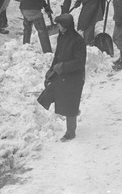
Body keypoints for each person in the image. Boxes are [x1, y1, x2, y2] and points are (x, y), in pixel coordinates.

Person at [37, 13, 86, 141]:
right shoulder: (62, 37)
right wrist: (51, 70)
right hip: (62, 73)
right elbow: (58, 55)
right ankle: (74, 109)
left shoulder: (78, 41)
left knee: (69, 105)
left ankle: (70, 132)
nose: (58, 27)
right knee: (49, 92)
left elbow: (80, 62)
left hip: (75, 77)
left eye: (59, 24)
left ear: (65, 26)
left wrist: (63, 67)